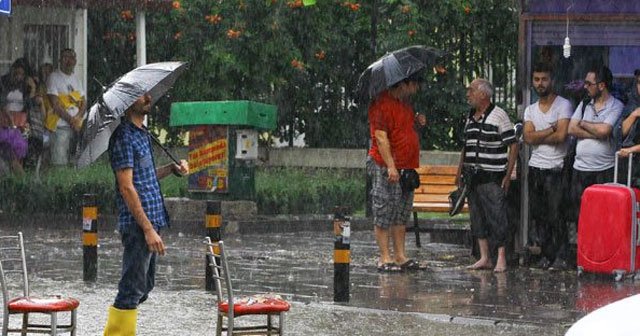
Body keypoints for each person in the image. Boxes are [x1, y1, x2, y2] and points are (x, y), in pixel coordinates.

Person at [102, 93, 189, 335]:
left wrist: (172, 169)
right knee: (132, 288)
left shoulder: (142, 134)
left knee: (145, 286)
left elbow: (145, 176)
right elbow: (126, 186)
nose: (148, 97)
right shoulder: (123, 138)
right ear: (128, 102)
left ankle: (120, 326)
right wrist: (148, 229)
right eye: (141, 95)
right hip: (139, 225)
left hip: (153, 218)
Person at [563, 65, 623, 269]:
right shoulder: (584, 104)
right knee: (582, 216)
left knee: (604, 217)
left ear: (602, 85)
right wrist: (594, 130)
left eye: (589, 83)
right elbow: (571, 128)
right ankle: (585, 257)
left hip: (603, 169)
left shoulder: (616, 106)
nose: (585, 86)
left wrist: (585, 125)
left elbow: (606, 130)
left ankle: (603, 257)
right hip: (581, 169)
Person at [366, 72, 426, 272]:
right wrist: (391, 166)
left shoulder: (406, 104)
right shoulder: (381, 104)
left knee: (401, 212)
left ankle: (400, 255)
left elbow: (404, 130)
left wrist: (417, 122)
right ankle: (385, 257)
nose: (416, 89)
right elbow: (381, 138)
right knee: (384, 210)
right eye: (415, 85)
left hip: (407, 165)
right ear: (404, 84)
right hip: (386, 165)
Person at [457, 78, 517, 273]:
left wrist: (508, 175)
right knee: (477, 217)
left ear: (483, 94)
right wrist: (459, 172)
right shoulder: (470, 117)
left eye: (471, 90)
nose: (468, 94)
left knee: (497, 216)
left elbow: (513, 145)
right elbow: (466, 147)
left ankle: (501, 257)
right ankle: (484, 257)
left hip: (492, 176)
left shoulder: (499, 115)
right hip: (472, 177)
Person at [522, 62, 573, 269]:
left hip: (556, 168)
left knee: (556, 214)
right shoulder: (530, 109)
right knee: (539, 215)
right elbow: (527, 137)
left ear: (552, 80)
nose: (540, 83)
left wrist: (538, 135)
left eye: (544, 79)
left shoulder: (563, 105)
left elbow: (561, 136)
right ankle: (546, 255)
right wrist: (548, 131)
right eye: (536, 79)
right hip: (536, 168)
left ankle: (561, 256)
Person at [47, 48, 85, 166]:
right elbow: (55, 104)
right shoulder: (54, 77)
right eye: (65, 57)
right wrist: (71, 120)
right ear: (60, 60)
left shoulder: (76, 79)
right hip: (60, 126)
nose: (68, 60)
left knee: (74, 161)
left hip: (77, 127)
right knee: (59, 162)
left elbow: (83, 102)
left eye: (71, 58)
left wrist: (78, 118)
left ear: (75, 61)